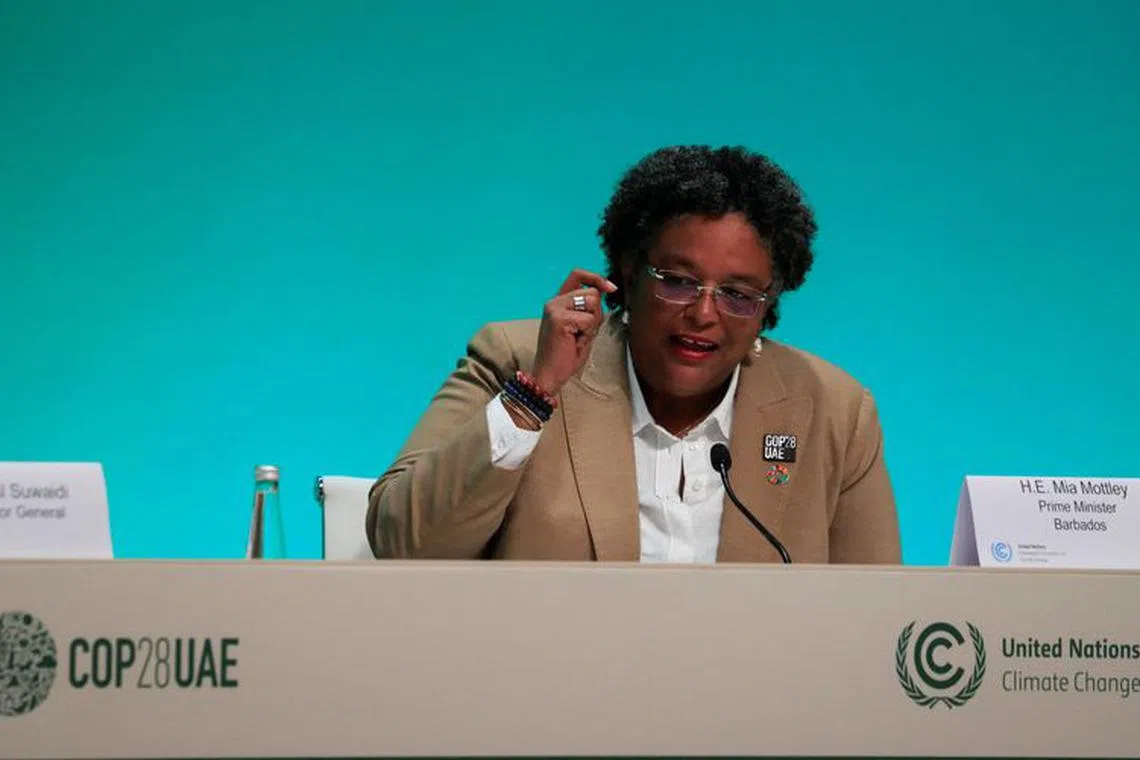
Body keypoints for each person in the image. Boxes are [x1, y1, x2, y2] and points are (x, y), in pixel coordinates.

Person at [366, 145, 902, 563]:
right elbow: (401, 541)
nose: (704, 314)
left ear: (769, 304)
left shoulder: (835, 411)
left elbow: (880, 615)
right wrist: (534, 397)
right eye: (678, 281)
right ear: (626, 272)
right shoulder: (518, 360)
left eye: (738, 294)